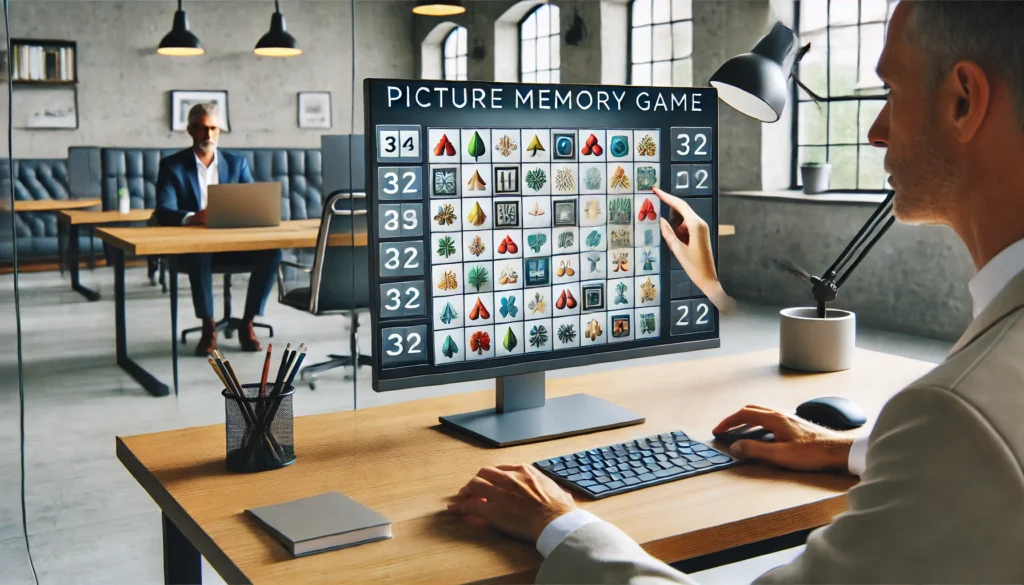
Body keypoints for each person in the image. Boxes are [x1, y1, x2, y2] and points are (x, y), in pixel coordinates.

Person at [448, 2, 1024, 582]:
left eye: (891, 93)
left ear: (963, 101)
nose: (875, 132)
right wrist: (845, 448)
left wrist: (562, 526)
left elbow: (965, 442)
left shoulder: (956, 416)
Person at [155, 103, 281, 356]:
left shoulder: (237, 164)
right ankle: (208, 326)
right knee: (200, 253)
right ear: (190, 130)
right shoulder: (172, 166)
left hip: (233, 244)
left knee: (272, 252)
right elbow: (163, 210)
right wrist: (192, 217)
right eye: (202, 129)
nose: (209, 135)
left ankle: (247, 322)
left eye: (213, 129)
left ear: (220, 130)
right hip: (195, 246)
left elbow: (252, 202)